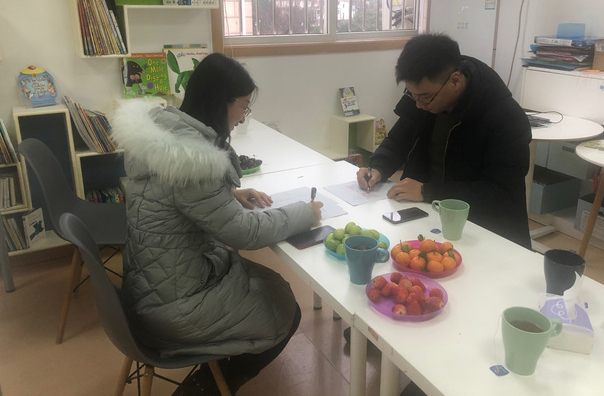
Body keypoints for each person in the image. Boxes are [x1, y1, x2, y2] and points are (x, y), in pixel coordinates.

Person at [111, 53, 323, 395]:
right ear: (219, 101)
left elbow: (175, 198)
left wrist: (228, 195)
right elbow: (245, 233)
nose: (242, 117)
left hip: (151, 284)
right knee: (283, 309)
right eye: (243, 107)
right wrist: (305, 214)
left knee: (270, 285)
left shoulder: (165, 136)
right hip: (172, 305)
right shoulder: (194, 164)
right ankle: (205, 387)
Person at [357, 33, 532, 250]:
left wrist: (428, 192)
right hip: (429, 218)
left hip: (485, 231)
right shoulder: (424, 95)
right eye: (412, 95)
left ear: (455, 81)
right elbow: (399, 138)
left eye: (424, 97)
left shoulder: (505, 117)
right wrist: (378, 167)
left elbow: (499, 193)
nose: (418, 105)